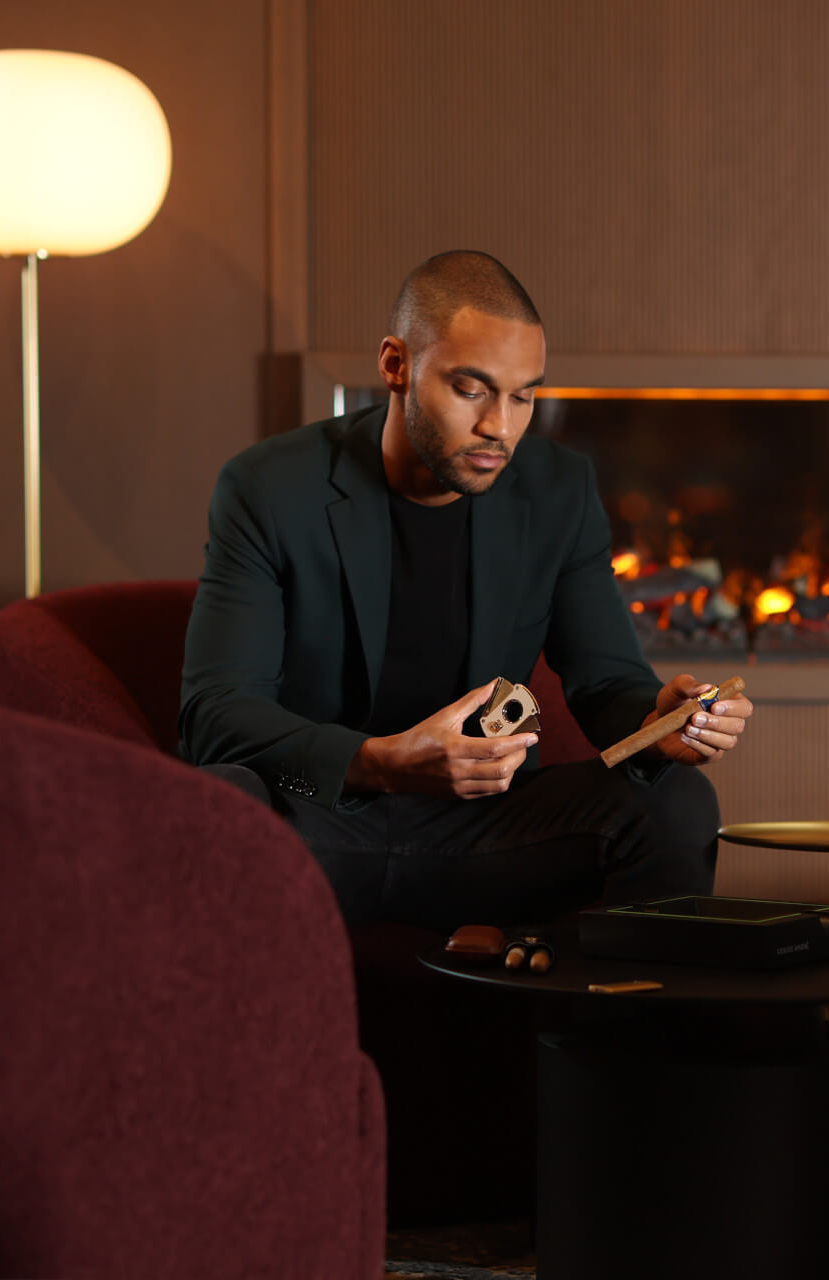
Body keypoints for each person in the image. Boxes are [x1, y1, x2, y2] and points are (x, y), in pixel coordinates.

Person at [179, 250, 753, 930]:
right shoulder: (270, 487)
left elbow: (607, 687)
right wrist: (380, 763)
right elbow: (213, 717)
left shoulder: (558, 491)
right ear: (397, 365)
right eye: (472, 389)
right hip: (318, 819)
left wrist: (661, 723)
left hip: (489, 826)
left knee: (675, 801)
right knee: (220, 797)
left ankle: (617, 1035)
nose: (500, 427)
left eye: (523, 396)